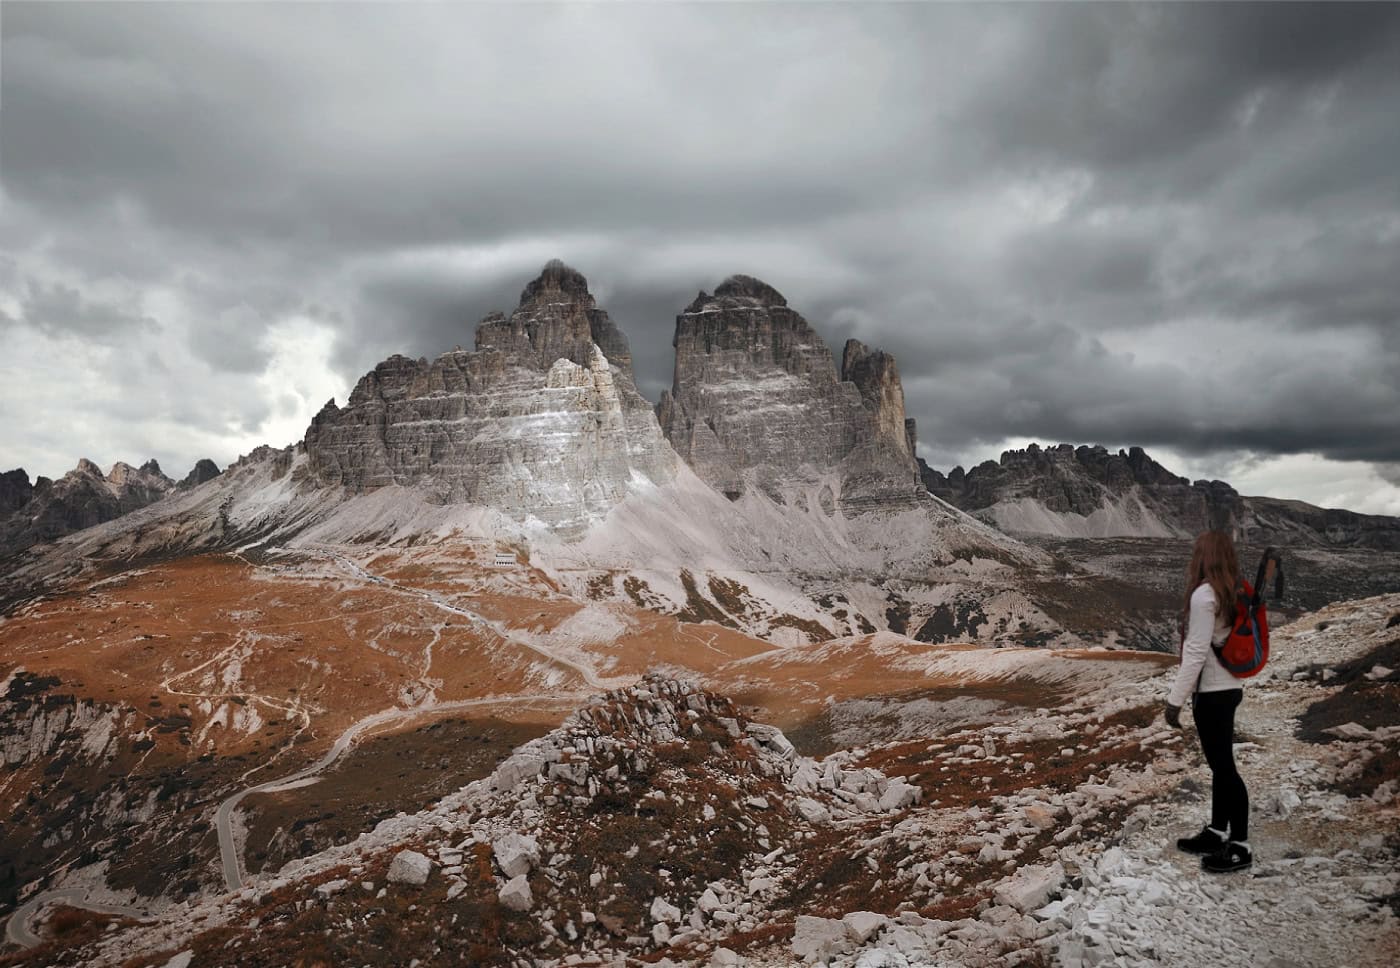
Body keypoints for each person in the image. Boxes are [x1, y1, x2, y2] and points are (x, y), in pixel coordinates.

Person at [1164, 529, 1251, 873]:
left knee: (1224, 767)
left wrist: (1175, 700)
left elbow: (1196, 651)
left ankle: (1240, 846)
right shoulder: (1230, 589)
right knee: (1220, 764)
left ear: (1204, 556)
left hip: (1212, 692)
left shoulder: (1203, 595)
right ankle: (1217, 831)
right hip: (1229, 686)